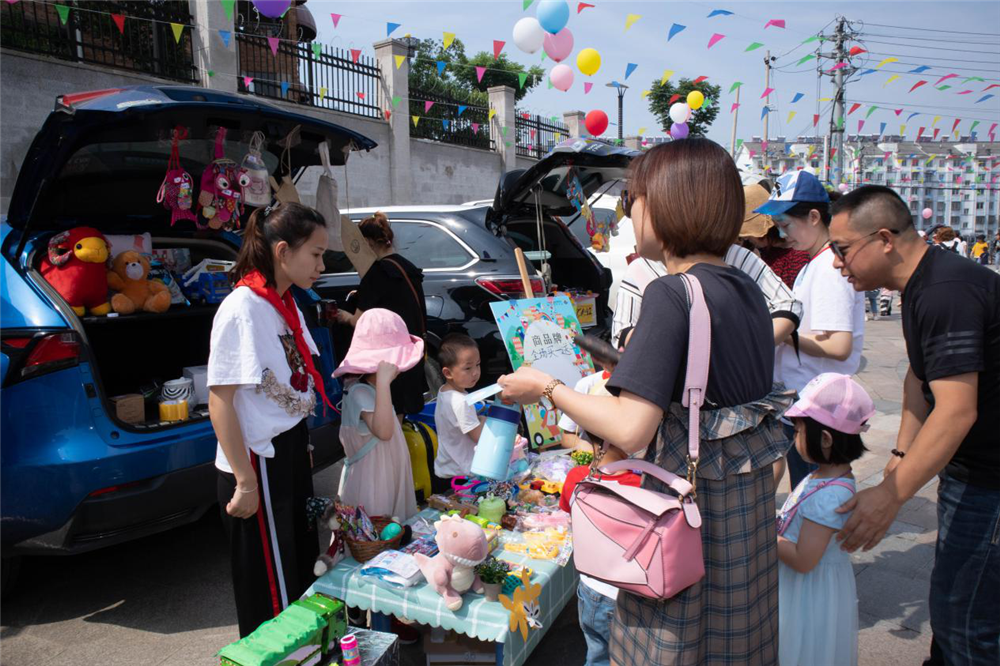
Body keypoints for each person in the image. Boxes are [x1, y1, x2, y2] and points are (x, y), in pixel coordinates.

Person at [499, 139, 793, 665]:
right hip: (740, 522)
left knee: (670, 646)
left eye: (634, 200)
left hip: (686, 519)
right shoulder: (746, 289)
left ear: (666, 205)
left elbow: (631, 429)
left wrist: (544, 387)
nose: (628, 213)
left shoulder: (672, 292)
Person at [828, 185, 999, 666]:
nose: (839, 265)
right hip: (968, 474)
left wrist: (891, 496)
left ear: (884, 238)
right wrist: (900, 457)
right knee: (953, 608)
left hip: (990, 483)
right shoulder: (921, 284)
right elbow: (917, 377)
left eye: (843, 250)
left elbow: (956, 409)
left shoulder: (946, 290)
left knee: (968, 623)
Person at [208, 202, 330, 637]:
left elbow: (291, 384)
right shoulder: (243, 307)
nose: (321, 265)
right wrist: (245, 482)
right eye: (315, 254)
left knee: (298, 571)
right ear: (282, 251)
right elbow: (220, 400)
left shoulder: (284, 303)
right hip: (257, 461)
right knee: (272, 594)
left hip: (288, 449)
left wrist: (305, 446)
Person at [755, 170, 866, 491]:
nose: (782, 233)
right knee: (806, 489)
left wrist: (784, 334)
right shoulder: (814, 262)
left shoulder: (830, 268)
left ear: (814, 216)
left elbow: (839, 345)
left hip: (816, 404)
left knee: (814, 492)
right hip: (804, 398)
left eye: (786, 224)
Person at [611, 181, 803, 349]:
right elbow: (620, 333)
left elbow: (788, 305)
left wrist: (750, 350)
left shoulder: (734, 255)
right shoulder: (640, 270)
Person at [776, 373, 874, 666]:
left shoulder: (831, 496)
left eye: (798, 432)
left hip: (808, 592)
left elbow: (804, 559)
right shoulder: (822, 478)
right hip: (805, 587)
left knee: (803, 649)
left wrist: (763, 532)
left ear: (826, 439)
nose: (794, 439)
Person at [337, 212, 428, 417]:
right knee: (401, 417)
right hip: (412, 351)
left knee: (389, 419)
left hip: (390, 360)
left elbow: (359, 321)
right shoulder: (407, 267)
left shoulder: (377, 273)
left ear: (368, 242)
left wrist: (342, 315)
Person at [334, 309, 421, 521]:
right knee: (376, 530)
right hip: (373, 481)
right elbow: (384, 432)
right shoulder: (360, 391)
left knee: (393, 527)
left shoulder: (374, 388)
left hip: (386, 474)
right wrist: (383, 382)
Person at [432, 333, 485, 492]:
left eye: (478, 364)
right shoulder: (461, 401)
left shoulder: (445, 392)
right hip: (460, 476)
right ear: (448, 373)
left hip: (446, 469)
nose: (475, 372)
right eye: (468, 368)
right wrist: (484, 420)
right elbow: (478, 436)